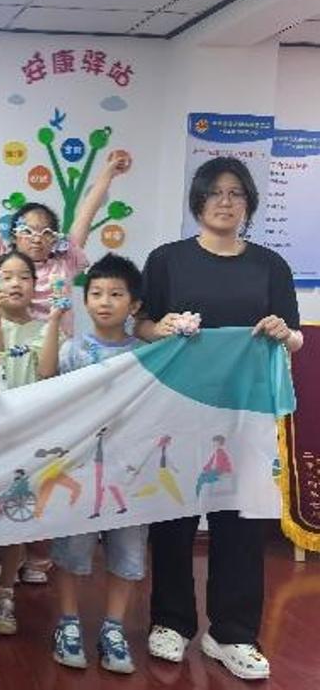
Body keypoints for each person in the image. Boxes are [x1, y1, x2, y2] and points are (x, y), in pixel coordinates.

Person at [135, 157, 302, 681]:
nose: (225, 202)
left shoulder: (270, 266)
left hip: (245, 413)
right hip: (178, 407)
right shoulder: (167, 260)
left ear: (249, 203)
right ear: (198, 201)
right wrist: (161, 327)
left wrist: (284, 333)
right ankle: (170, 622)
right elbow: (141, 325)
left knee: (242, 521)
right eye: (215, 192)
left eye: (236, 193)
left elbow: (295, 338)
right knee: (173, 513)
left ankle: (232, 633)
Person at [43, 253, 146, 674]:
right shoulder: (74, 350)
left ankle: (114, 628)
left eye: (116, 294)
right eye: (97, 293)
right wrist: (53, 322)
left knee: (128, 551)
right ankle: (67, 623)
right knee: (72, 549)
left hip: (130, 472)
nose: (105, 302)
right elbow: (47, 382)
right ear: (85, 301)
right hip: (80, 469)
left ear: (134, 305)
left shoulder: (147, 353)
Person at [0, 133, 131, 333]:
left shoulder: (63, 264)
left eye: (45, 232)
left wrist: (108, 173)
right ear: (14, 236)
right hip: (7, 345)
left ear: (54, 239)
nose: (37, 238)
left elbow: (87, 213)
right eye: (28, 231)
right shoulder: (0, 260)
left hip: (55, 347)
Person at [0, 250, 62, 636]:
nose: (15, 283)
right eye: (6, 276)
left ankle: (5, 592)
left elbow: (47, 371)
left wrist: (56, 319)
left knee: (16, 513)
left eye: (24, 277)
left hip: (28, 435)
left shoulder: (46, 328)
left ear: (36, 285)